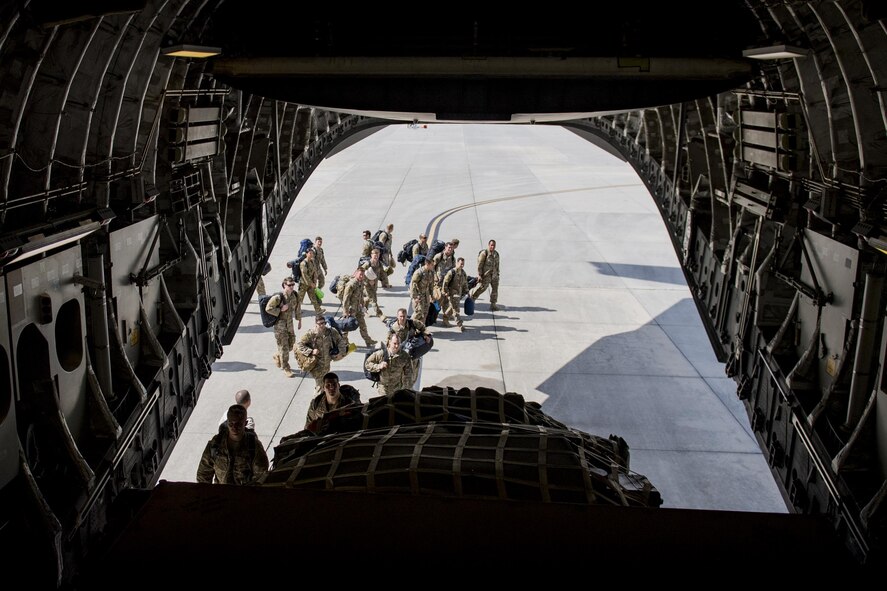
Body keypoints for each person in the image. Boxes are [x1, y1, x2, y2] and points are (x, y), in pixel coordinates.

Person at [196, 405, 269, 485]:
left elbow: (261, 476)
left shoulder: (253, 446)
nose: (234, 427)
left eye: (238, 424)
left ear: (245, 423)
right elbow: (203, 476)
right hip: (219, 495)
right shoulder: (216, 444)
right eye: (231, 423)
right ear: (227, 423)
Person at [296, 315, 347, 393]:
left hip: (327, 363)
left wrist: (341, 353)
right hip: (317, 364)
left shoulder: (331, 331)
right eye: (319, 324)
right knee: (320, 387)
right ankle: (316, 402)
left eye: (323, 323)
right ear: (315, 324)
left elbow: (340, 341)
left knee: (324, 386)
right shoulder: (311, 334)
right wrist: (311, 351)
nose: (321, 325)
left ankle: (321, 401)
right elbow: (299, 344)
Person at [266, 277, 300, 378]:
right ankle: (286, 367)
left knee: (291, 344)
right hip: (280, 326)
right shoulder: (278, 297)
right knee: (284, 347)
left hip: (290, 324)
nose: (292, 287)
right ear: (284, 285)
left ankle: (278, 355)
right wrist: (280, 309)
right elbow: (268, 308)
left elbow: (298, 307)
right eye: (289, 285)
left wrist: (299, 320)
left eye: (293, 284)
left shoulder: (295, 295)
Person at [388, 307, 431, 374]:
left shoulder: (412, 323)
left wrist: (426, 335)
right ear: (397, 316)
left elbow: (423, 328)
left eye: (404, 316)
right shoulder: (393, 328)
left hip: (412, 349)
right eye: (401, 316)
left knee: (413, 370)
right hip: (399, 350)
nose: (402, 318)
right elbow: (389, 341)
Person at [341, 267, 377, 347]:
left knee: (362, 325)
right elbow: (345, 299)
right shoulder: (351, 284)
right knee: (346, 327)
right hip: (350, 310)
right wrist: (345, 311)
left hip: (358, 308)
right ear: (356, 273)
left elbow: (360, 295)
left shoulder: (360, 283)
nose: (361, 276)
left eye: (363, 275)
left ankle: (368, 341)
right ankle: (344, 342)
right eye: (360, 274)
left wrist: (363, 305)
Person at [470, 239, 500, 311]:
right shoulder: (484, 253)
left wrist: (498, 274)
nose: (492, 247)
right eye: (491, 245)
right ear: (489, 245)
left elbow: (497, 264)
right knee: (482, 288)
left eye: (494, 245)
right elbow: (480, 265)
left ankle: (493, 304)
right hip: (486, 275)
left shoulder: (496, 254)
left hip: (494, 275)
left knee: (495, 290)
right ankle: (472, 298)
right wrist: (480, 275)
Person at [441, 257, 469, 331]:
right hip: (452, 294)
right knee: (456, 309)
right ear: (457, 263)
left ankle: (445, 317)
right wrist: (445, 291)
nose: (462, 265)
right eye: (460, 264)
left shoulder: (463, 273)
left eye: (463, 264)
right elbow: (445, 282)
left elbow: (465, 283)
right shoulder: (451, 272)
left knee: (452, 307)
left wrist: (467, 291)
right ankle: (460, 325)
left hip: (458, 294)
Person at [361, 247, 390, 319]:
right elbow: (360, 273)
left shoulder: (379, 263)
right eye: (374, 255)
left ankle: (364, 310)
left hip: (374, 284)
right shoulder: (368, 263)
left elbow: (383, 273)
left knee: (368, 298)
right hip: (367, 285)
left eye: (378, 255)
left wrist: (385, 283)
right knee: (374, 299)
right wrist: (368, 281)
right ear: (371, 255)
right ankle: (379, 314)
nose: (376, 256)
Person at [297, 248, 326, 316]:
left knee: (313, 298)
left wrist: (314, 281)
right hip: (303, 284)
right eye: (310, 253)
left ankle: (318, 310)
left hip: (311, 284)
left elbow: (314, 272)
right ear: (307, 254)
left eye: (312, 253)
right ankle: (297, 311)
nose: (311, 254)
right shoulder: (303, 263)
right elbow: (304, 275)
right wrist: (311, 283)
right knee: (299, 299)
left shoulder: (312, 261)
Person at [409, 256, 436, 323]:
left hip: (426, 296)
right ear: (427, 264)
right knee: (418, 313)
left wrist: (432, 296)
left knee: (425, 313)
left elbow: (431, 285)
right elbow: (413, 285)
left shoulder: (431, 272)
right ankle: (409, 326)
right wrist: (414, 298)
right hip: (419, 296)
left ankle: (421, 328)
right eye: (432, 264)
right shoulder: (419, 273)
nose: (433, 266)